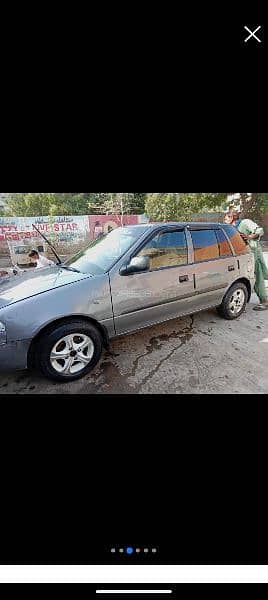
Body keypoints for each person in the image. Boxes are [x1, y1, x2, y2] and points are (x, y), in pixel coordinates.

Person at [225, 210, 268, 311]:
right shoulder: (232, 228)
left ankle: (264, 301)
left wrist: (249, 237)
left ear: (232, 218)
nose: (224, 220)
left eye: (226, 218)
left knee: (258, 275)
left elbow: (260, 231)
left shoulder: (245, 222)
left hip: (253, 253)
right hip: (243, 255)